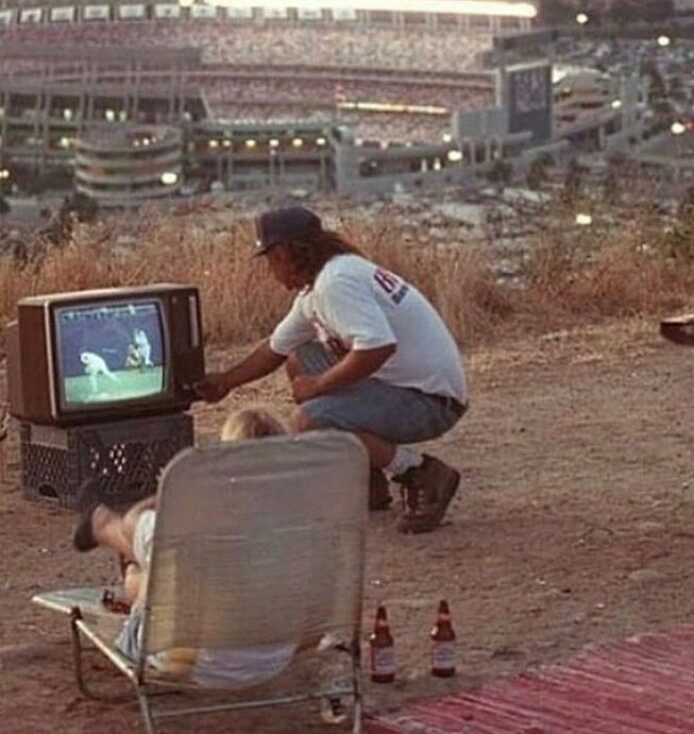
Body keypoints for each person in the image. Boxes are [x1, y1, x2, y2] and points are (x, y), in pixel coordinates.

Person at [195, 204, 467, 534]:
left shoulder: (335, 284)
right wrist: (226, 382)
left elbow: (378, 347)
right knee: (299, 357)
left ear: (284, 253)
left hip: (430, 403)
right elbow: (276, 348)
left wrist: (319, 385)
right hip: (418, 387)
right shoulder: (328, 280)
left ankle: (419, 471)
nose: (270, 270)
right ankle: (365, 473)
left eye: (270, 260)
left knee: (309, 421)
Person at [71, 406, 296, 686]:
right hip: (273, 659)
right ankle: (104, 530)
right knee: (160, 570)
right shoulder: (309, 527)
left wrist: (170, 493)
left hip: (193, 663)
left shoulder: (190, 524)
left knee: (147, 568)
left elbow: (132, 522)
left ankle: (100, 524)